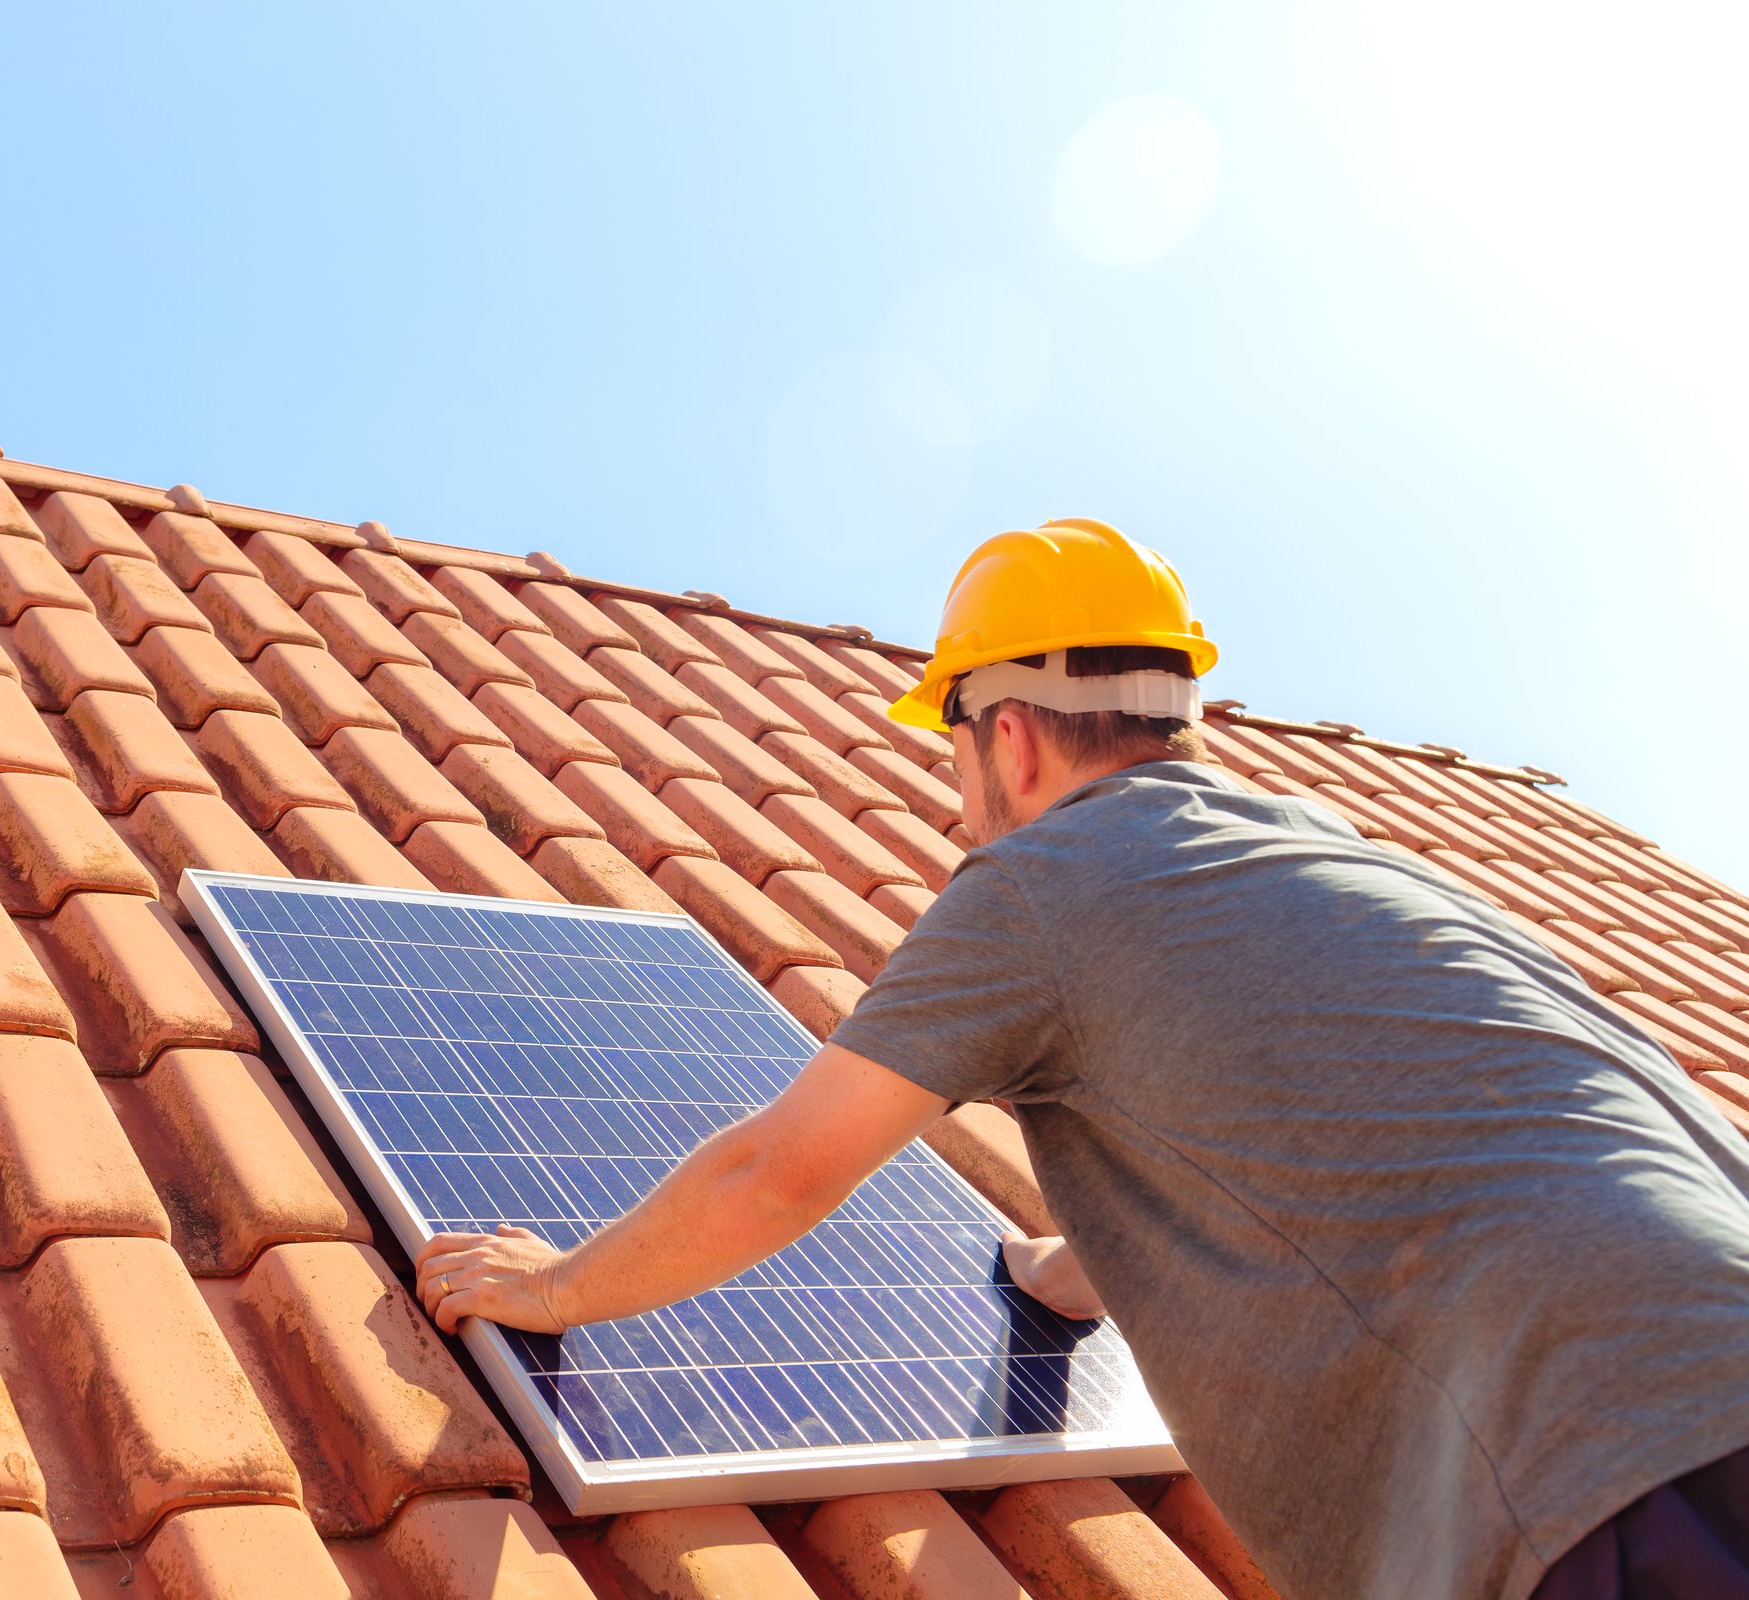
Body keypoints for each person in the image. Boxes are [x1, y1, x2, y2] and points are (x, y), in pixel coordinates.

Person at [413, 519, 1749, 1600]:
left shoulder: (1046, 880)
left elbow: (777, 1169)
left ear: (1007, 731)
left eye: (950, 741)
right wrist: (1076, 1264)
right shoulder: (1341, 859)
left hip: (1616, 1463)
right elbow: (1319, 1129)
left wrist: (561, 1286)